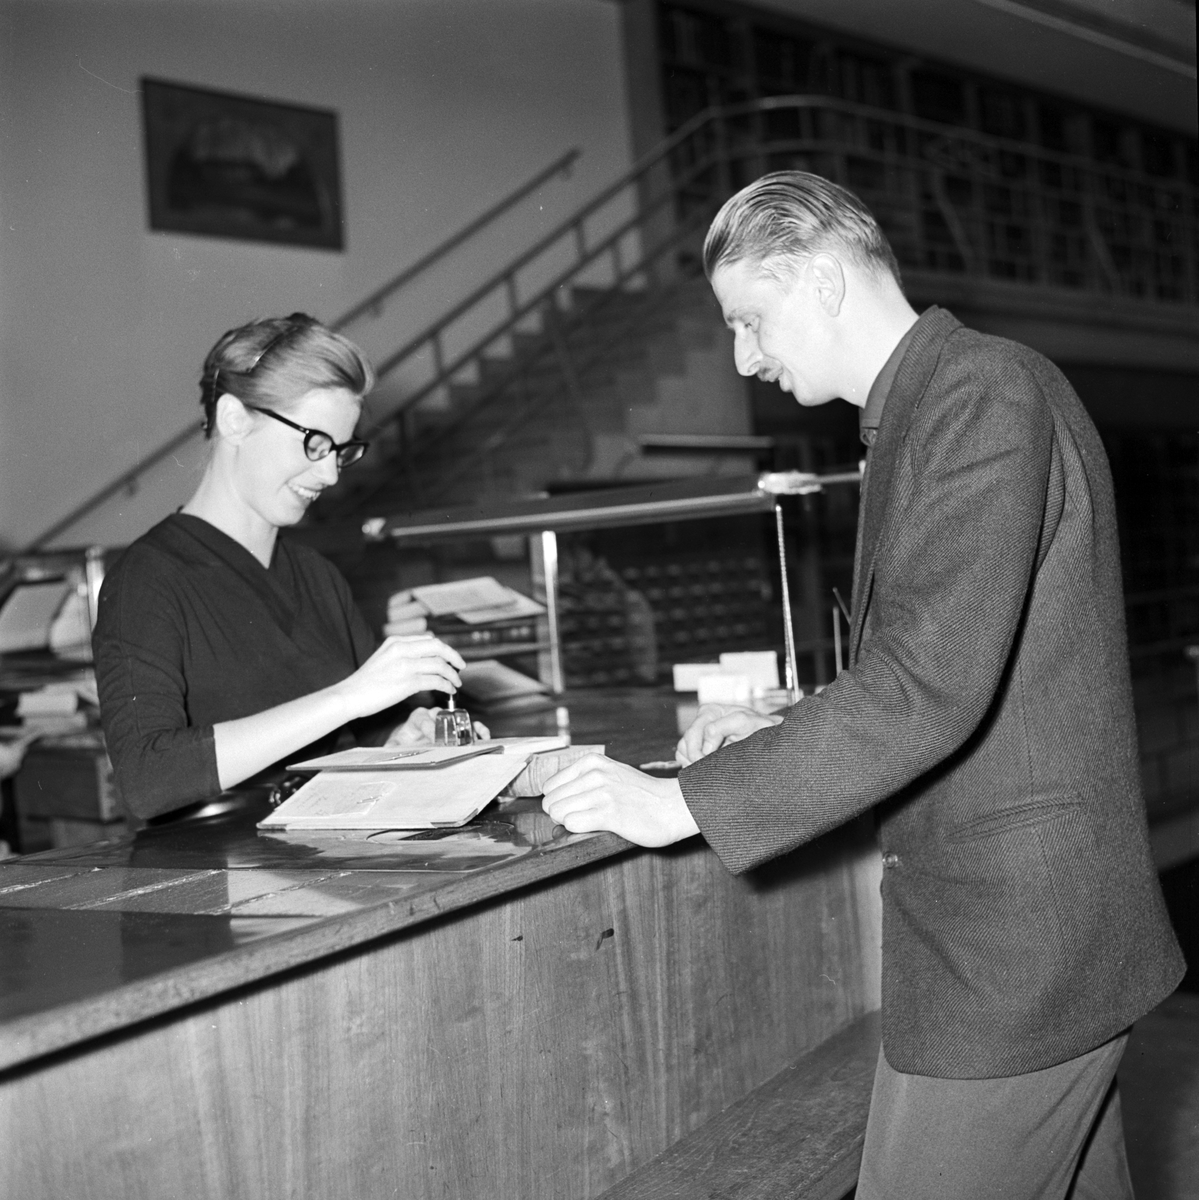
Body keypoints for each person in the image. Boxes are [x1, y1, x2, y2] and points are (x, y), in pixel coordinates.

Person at [541, 173, 1184, 1197]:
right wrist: (785, 722)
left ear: (823, 281)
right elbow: (976, 655)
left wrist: (676, 803)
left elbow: (929, 684)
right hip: (1031, 939)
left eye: (749, 321)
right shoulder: (932, 402)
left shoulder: (977, 393)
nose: (745, 358)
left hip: (1012, 954)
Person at [94, 313, 470, 822]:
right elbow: (147, 778)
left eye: (341, 451)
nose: (330, 473)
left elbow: (362, 730)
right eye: (315, 443)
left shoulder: (317, 575)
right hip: (215, 883)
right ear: (234, 419)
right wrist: (347, 698)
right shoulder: (147, 579)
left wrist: (399, 740)